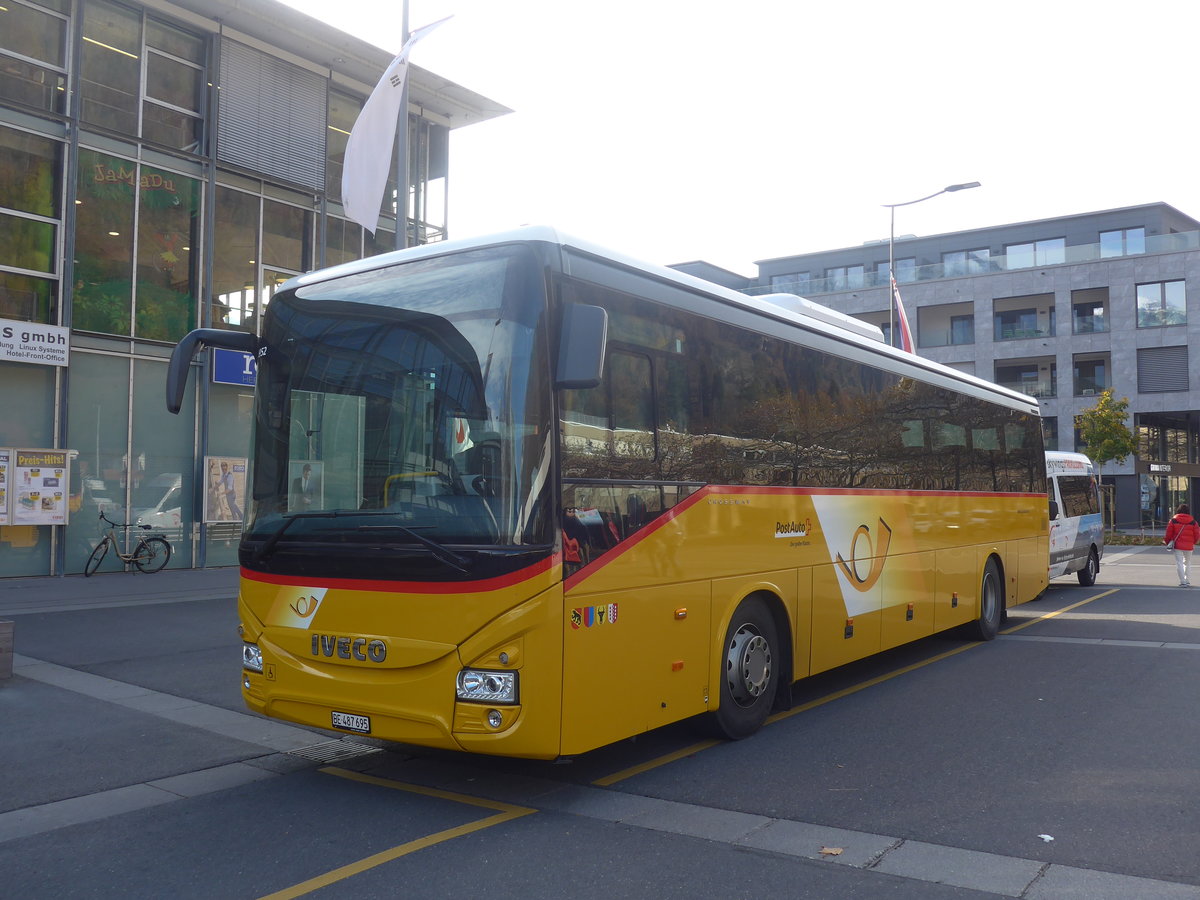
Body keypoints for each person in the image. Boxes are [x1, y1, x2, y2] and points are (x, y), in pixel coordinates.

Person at [1163, 503, 1200, 587]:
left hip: (1177, 545)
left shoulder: (1173, 520)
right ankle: (1187, 580)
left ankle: (1182, 581)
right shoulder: (1193, 522)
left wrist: (1167, 541)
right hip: (1189, 545)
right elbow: (1197, 534)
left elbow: (1168, 533)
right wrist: (1193, 542)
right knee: (1187, 562)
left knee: (1179, 563)